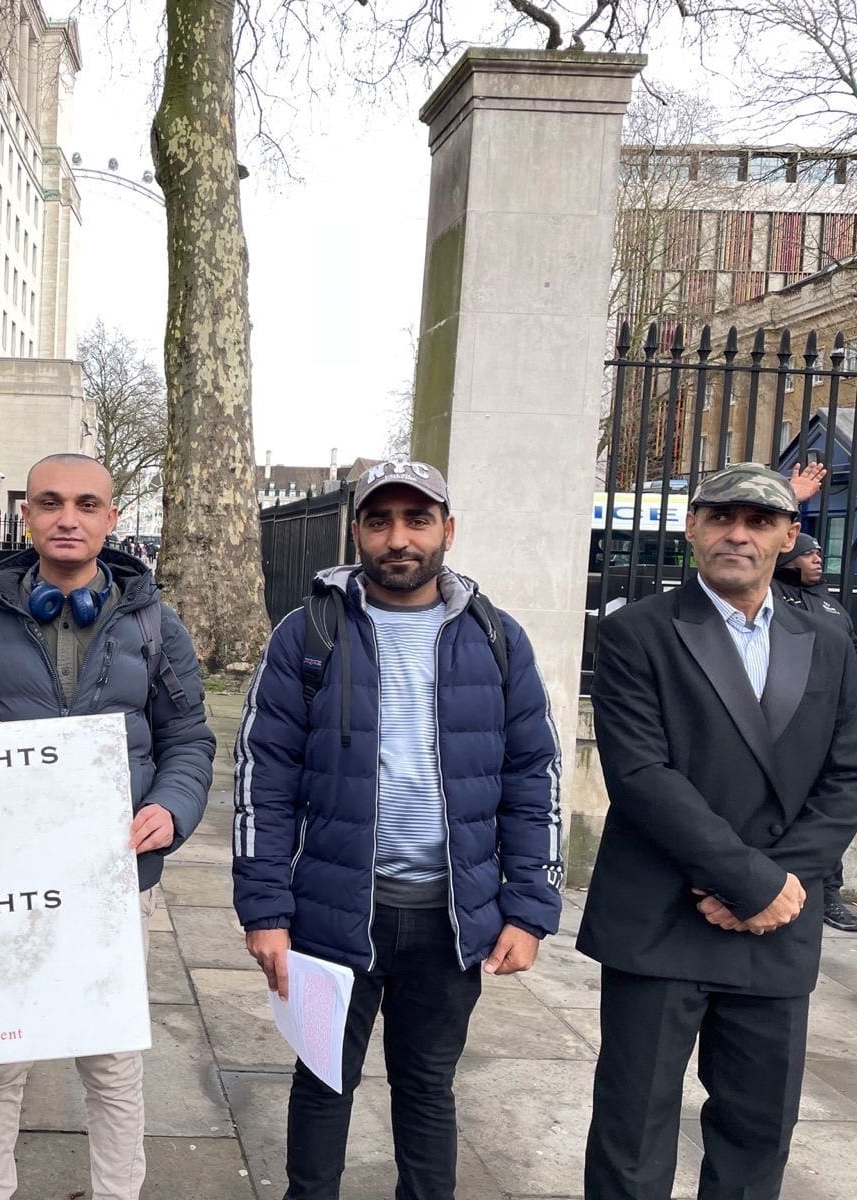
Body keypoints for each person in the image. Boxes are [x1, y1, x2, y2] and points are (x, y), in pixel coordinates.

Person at [232, 459, 564, 1200]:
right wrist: (265, 909)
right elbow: (264, 773)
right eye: (379, 521)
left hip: (449, 920)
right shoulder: (308, 633)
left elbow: (533, 775)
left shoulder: (496, 637)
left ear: (448, 529)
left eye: (418, 520)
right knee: (322, 1083)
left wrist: (531, 908)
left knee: (427, 1089)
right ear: (358, 532)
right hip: (331, 913)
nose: (399, 538)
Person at [0, 453, 215, 1200]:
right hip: (5, 880)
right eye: (51, 503)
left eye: (87, 504)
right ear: (26, 514)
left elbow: (188, 736)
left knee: (112, 1060)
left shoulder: (156, 624)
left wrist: (173, 808)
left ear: (111, 519)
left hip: (115, 880)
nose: (68, 518)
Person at [581, 462, 857, 1199]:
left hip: (779, 921)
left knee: (757, 1135)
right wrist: (749, 881)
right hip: (661, 916)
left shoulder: (828, 640)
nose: (738, 533)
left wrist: (775, 886)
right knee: (632, 1134)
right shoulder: (636, 633)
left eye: (759, 521)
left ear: (788, 534)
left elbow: (847, 774)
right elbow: (641, 777)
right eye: (721, 518)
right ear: (692, 528)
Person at [771, 532, 857, 932]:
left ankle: (828, 892)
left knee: (825, 808)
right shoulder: (772, 594)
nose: (818, 558)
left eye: (821, 552)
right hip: (784, 725)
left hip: (828, 724)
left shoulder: (831, 607)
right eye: (809, 553)